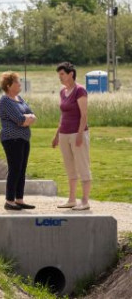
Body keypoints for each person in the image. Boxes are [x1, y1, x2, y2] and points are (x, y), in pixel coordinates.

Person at [53, 62, 92, 211]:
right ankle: (71, 199)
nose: (60, 77)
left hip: (77, 133)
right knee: (70, 167)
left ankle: (85, 201)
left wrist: (80, 134)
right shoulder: (62, 92)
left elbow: (84, 115)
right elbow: (62, 115)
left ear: (71, 74)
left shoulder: (80, 91)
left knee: (83, 166)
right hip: (64, 134)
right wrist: (56, 135)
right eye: (59, 75)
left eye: (62, 74)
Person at [0, 72, 37, 211]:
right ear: (9, 85)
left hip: (24, 139)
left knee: (22, 169)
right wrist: (26, 118)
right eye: (17, 82)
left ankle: (19, 199)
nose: (20, 84)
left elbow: (32, 115)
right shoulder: (5, 101)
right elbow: (20, 120)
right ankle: (9, 200)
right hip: (11, 139)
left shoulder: (19, 99)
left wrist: (27, 118)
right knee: (14, 169)